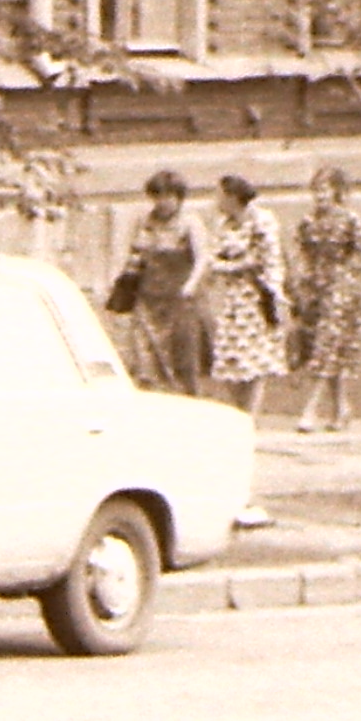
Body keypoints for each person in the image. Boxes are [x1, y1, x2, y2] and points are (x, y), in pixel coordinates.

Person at [198, 173, 287, 527]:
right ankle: (233, 490)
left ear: (234, 196)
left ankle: (245, 492)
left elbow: (265, 264)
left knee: (249, 402)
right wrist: (229, 266)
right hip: (233, 309)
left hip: (255, 309)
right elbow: (217, 262)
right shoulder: (224, 224)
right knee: (232, 399)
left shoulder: (262, 220)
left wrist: (231, 266)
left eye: (220, 194)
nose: (215, 200)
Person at [288, 164, 361, 434]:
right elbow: (300, 257)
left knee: (327, 346)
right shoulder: (307, 221)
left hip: (343, 290)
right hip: (316, 290)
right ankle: (340, 409)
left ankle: (309, 411)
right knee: (329, 350)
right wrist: (297, 287)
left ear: (336, 191)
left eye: (324, 190)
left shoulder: (349, 220)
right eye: (315, 190)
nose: (319, 196)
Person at [114, 172, 203, 393]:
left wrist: (191, 285)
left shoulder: (190, 223)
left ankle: (187, 401)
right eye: (157, 196)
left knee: (181, 356)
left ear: (179, 197)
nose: (162, 202)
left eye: (168, 196)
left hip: (179, 300)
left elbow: (203, 258)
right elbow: (134, 254)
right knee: (145, 355)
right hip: (147, 298)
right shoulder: (144, 221)